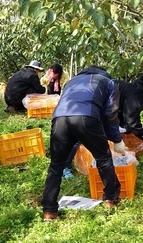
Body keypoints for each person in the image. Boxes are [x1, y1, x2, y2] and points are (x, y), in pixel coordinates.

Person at [40, 66, 126, 220]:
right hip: (87, 118)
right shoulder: (109, 82)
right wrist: (116, 139)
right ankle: (111, 200)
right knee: (103, 158)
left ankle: (49, 211)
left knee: (56, 165)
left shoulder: (71, 82)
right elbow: (110, 114)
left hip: (60, 119)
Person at [114, 75, 143, 149]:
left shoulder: (136, 91)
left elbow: (125, 111)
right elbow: (131, 119)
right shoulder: (136, 97)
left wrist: (125, 124)